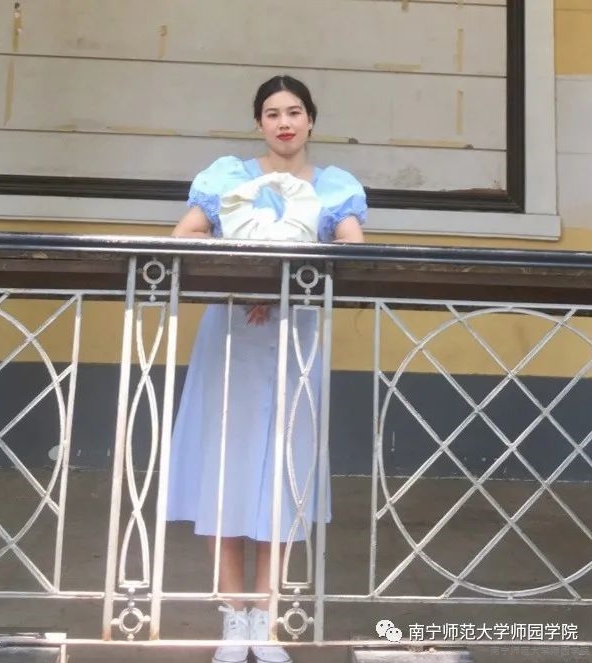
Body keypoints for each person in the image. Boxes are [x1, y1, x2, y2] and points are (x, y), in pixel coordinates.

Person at [167, 74, 366, 663]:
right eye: (273, 113)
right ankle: (234, 618)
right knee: (224, 471)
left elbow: (353, 252)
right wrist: (242, 276)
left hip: (293, 340)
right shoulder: (226, 178)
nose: (284, 122)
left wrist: (283, 286)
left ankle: (268, 619)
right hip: (232, 336)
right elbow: (184, 238)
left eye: (295, 111)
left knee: (283, 475)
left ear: (311, 121)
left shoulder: (334, 187)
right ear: (259, 122)